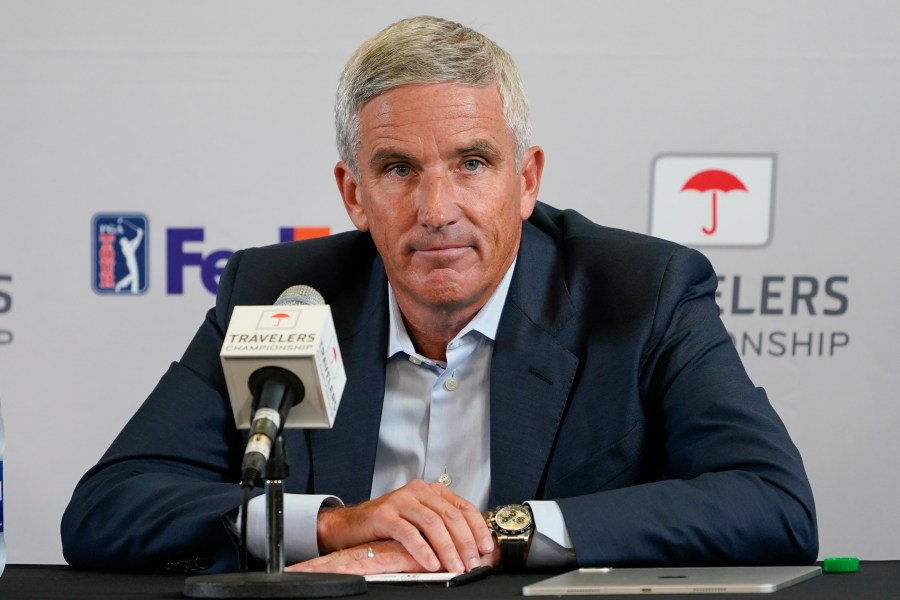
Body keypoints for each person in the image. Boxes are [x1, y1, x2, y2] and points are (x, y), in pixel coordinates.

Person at [61, 15, 817, 576]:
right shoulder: (278, 295)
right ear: (353, 195)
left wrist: (499, 531)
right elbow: (108, 508)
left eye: (472, 163)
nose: (436, 209)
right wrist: (335, 527)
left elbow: (772, 502)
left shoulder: (640, 292)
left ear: (526, 180)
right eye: (397, 170)